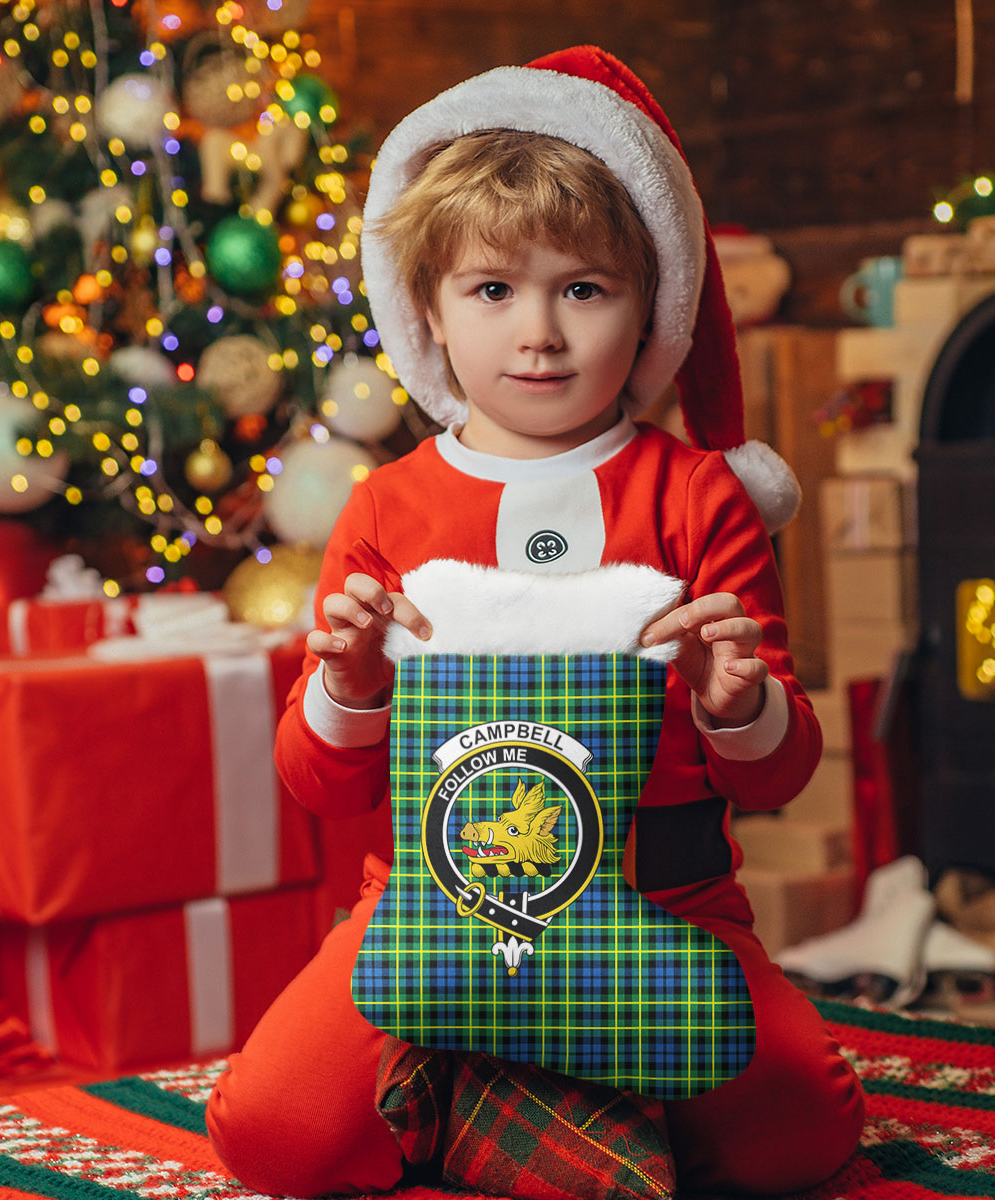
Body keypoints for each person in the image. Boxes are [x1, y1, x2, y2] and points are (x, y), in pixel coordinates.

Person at [206, 45, 864, 1198]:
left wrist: (741, 705)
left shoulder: (698, 496)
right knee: (275, 1136)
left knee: (799, 1137)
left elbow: (778, 780)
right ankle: (529, 1088)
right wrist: (351, 686)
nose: (540, 334)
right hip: (428, 905)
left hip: (668, 904)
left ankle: (508, 1089)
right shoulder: (389, 504)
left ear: (647, 303)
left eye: (584, 288)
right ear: (429, 310)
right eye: (494, 289)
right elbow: (321, 784)